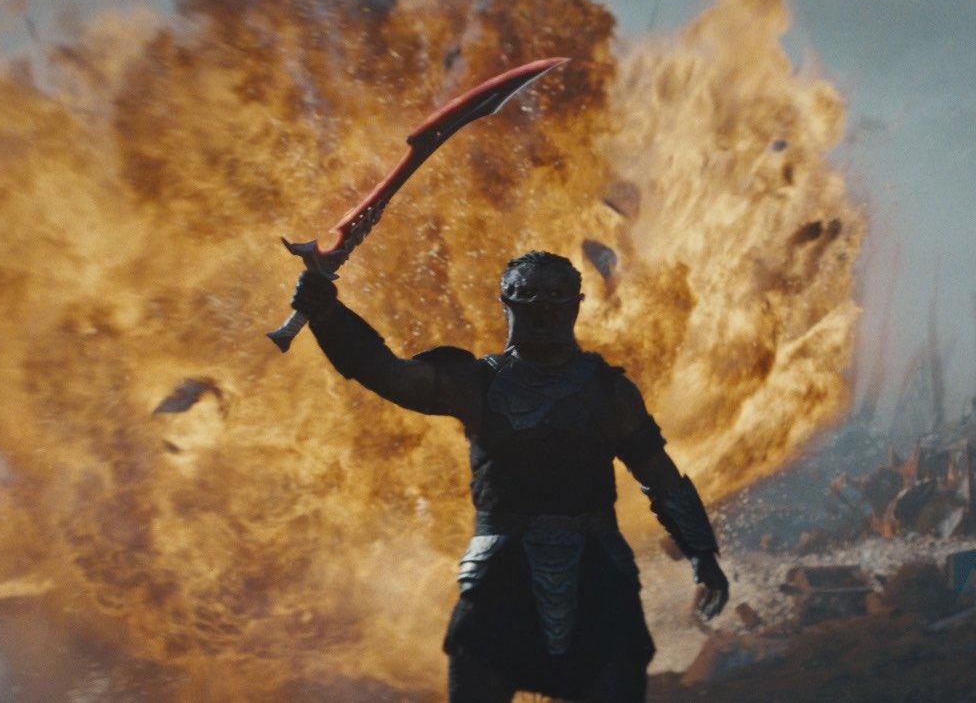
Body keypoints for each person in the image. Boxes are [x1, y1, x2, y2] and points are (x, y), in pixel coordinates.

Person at [290, 250, 729, 702]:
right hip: (501, 577)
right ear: (506, 304)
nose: (542, 310)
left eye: (555, 298)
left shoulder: (609, 392)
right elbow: (388, 374)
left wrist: (701, 553)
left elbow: (661, 477)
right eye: (528, 297)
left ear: (576, 305)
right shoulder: (476, 383)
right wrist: (329, 316)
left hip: (597, 577)